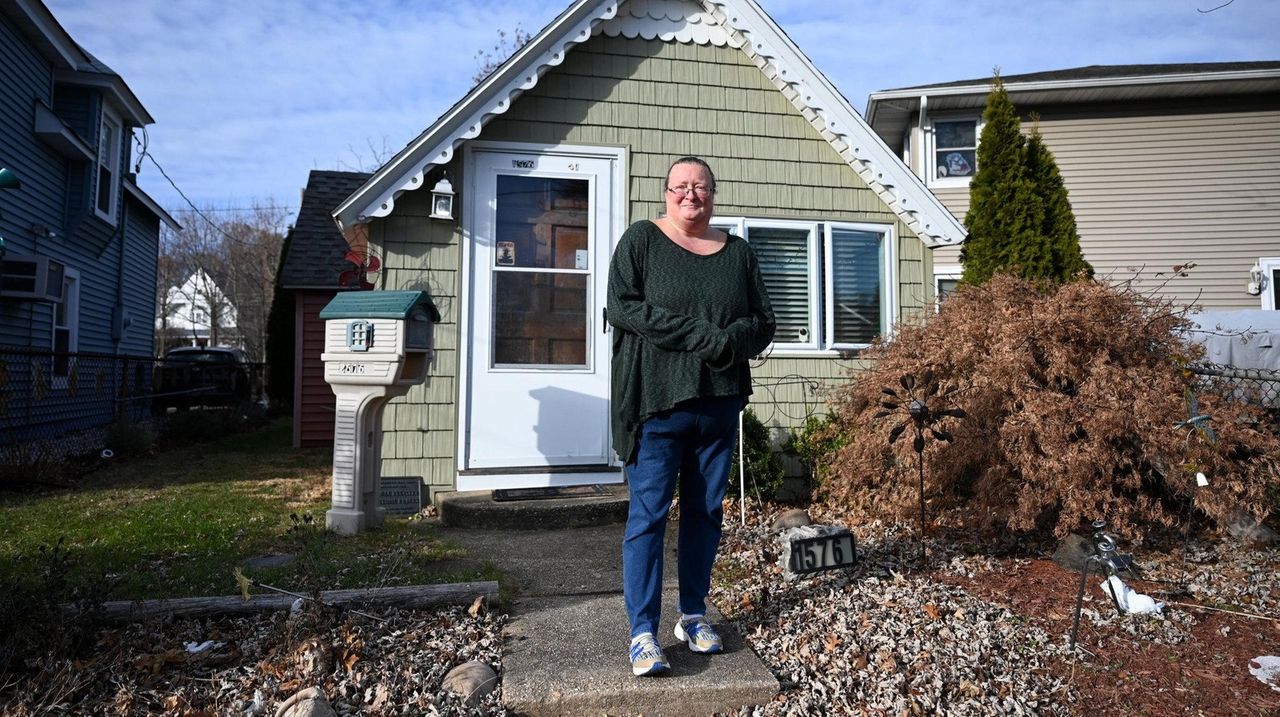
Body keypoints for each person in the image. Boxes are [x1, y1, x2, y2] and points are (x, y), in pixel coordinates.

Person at [606, 156, 775, 676]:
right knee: (649, 518)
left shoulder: (738, 252)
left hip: (717, 407)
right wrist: (706, 338)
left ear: (713, 194)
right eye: (680, 186)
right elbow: (623, 307)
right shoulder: (642, 241)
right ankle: (642, 633)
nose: (690, 195)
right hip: (656, 406)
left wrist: (730, 342)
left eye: (699, 186)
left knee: (705, 514)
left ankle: (693, 616)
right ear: (665, 193)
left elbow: (763, 322)